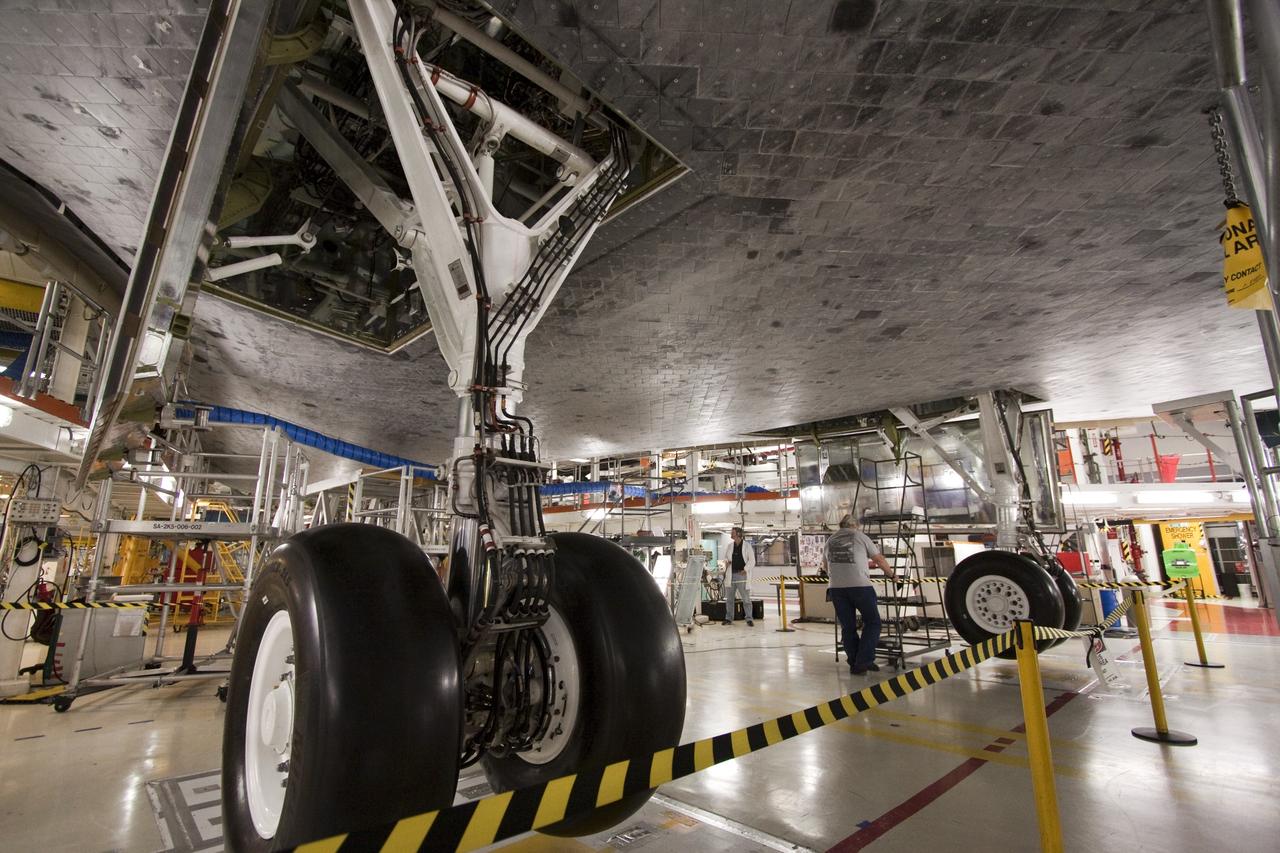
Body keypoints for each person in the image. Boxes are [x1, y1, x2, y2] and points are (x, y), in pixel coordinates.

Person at [824, 514, 897, 674]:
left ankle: (855, 662)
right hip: (860, 587)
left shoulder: (830, 540)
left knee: (848, 626)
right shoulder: (860, 536)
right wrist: (892, 575)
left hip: (836, 588)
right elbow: (879, 559)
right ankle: (863, 660)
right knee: (873, 622)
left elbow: (825, 566)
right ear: (855, 525)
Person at [722, 526, 755, 626]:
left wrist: (746, 569)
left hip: (741, 575)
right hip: (731, 575)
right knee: (729, 599)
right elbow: (726, 558)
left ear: (738, 534)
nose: (731, 534)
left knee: (746, 599)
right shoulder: (729, 546)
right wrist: (727, 562)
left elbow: (752, 560)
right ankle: (729, 618)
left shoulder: (747, 546)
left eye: (733, 533)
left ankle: (749, 618)